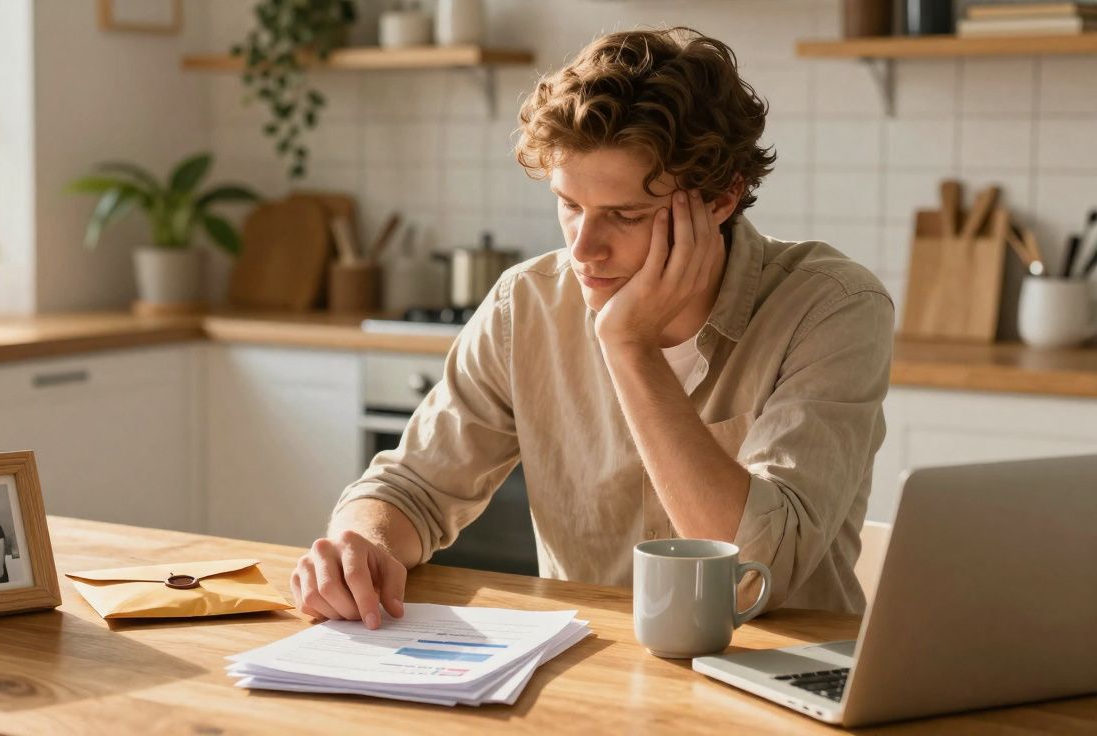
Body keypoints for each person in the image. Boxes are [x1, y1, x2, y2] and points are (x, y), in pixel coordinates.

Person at [292, 27, 894, 628]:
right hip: (590, 677)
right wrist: (359, 543)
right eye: (570, 205)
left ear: (721, 199)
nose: (583, 249)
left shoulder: (833, 308)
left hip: (779, 682)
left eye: (625, 215)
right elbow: (412, 489)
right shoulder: (524, 305)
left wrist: (628, 346)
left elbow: (755, 576)